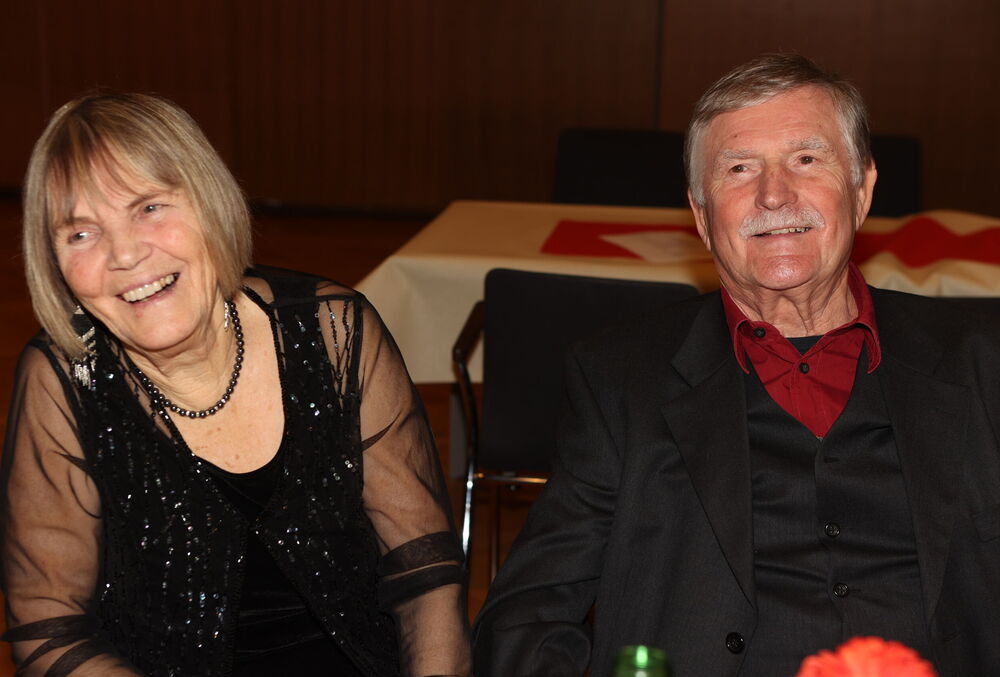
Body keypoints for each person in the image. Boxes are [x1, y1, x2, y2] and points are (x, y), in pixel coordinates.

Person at [472, 54, 1000, 677]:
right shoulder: (620, 379)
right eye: (739, 169)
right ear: (701, 215)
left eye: (806, 160)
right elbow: (525, 618)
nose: (774, 194)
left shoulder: (982, 359)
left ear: (861, 191)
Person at [0, 93, 471, 676]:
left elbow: (424, 570)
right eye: (81, 234)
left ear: (209, 202)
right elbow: (50, 630)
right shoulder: (65, 383)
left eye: (149, 208)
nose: (124, 254)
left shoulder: (331, 333)